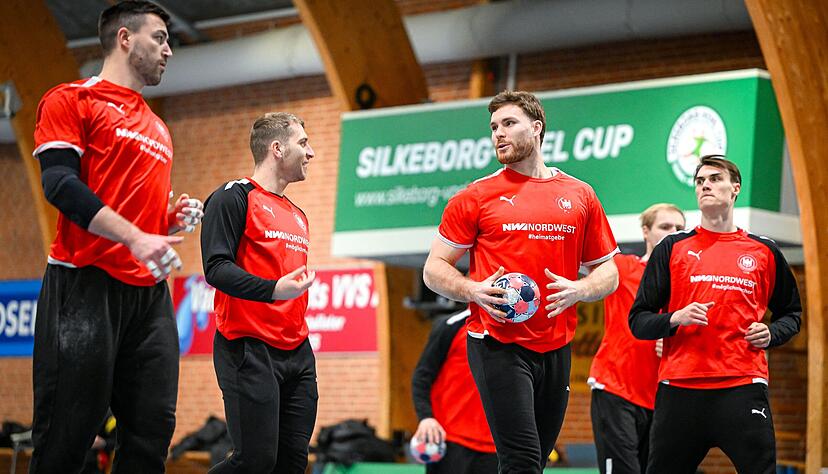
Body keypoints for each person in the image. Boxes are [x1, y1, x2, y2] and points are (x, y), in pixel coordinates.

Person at [30, 2, 204, 472]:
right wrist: (134, 237)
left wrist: (167, 221)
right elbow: (60, 185)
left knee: (151, 433)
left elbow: (136, 213)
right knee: (66, 435)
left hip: (147, 297)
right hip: (84, 283)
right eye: (159, 38)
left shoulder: (158, 127)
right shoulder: (71, 99)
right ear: (125, 39)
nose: (169, 50)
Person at [423, 90, 620, 474]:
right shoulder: (475, 197)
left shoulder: (580, 195)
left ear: (537, 127)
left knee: (536, 462)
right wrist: (472, 290)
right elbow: (433, 269)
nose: (498, 133)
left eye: (509, 123)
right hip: (497, 342)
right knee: (523, 461)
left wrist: (581, 289)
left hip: (557, 344)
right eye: (493, 126)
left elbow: (608, 272)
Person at [629, 155, 801, 474]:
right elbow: (638, 321)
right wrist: (675, 318)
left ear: (735, 188)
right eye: (700, 181)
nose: (705, 185)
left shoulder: (764, 251)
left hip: (743, 385)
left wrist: (772, 333)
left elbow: (792, 314)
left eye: (715, 178)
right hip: (680, 389)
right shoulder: (672, 248)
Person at [201, 112, 318, 473]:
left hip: (297, 353)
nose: (311, 152)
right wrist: (273, 290)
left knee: (292, 464)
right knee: (255, 462)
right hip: (248, 347)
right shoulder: (233, 197)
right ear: (277, 149)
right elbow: (216, 268)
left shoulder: (298, 215)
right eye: (303, 143)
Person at [587, 203, 685, 474]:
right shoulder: (622, 268)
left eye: (679, 228)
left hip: (662, 399)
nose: (673, 232)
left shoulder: (688, 285)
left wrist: (676, 342)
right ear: (645, 232)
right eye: (665, 226)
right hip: (616, 388)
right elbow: (581, 256)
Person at [411, 309, 498, 474]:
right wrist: (426, 417)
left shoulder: (517, 331)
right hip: (451, 439)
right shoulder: (451, 326)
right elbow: (422, 377)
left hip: (498, 445)